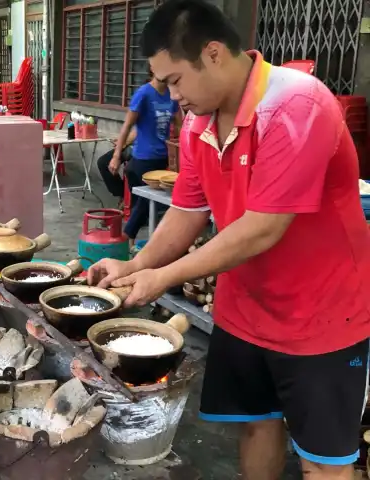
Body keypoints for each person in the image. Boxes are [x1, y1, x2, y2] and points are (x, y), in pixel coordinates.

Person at [87, 1, 370, 479]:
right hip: (245, 308)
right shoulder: (200, 121)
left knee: (323, 462)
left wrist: (162, 279)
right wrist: (134, 267)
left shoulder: (295, 104)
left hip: (321, 316)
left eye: (175, 80)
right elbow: (186, 213)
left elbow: (264, 224)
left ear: (214, 54)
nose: (172, 96)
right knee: (256, 425)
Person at [98, 69, 180, 246]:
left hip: (162, 157)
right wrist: (116, 156)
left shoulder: (170, 95)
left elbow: (178, 123)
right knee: (145, 202)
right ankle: (126, 238)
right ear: (153, 70)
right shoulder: (144, 94)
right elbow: (127, 126)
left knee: (142, 206)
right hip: (143, 159)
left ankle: (131, 245)